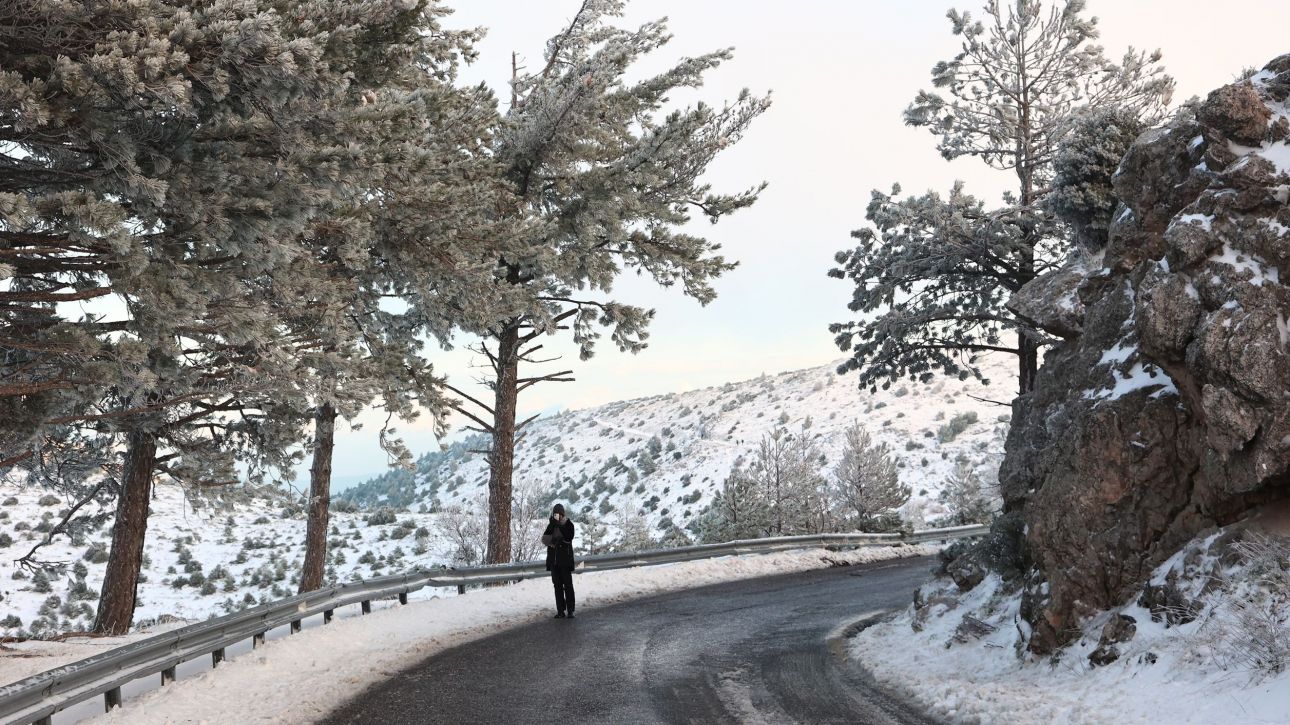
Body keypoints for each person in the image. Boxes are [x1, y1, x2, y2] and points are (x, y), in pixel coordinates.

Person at [543, 503, 576, 619]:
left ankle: (570, 610)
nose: (558, 516)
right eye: (556, 514)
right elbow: (544, 539)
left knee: (568, 585)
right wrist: (552, 526)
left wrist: (560, 527)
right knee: (557, 586)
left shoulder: (568, 524)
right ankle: (560, 610)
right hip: (554, 562)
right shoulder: (551, 525)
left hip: (565, 561)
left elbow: (569, 537)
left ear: (563, 514)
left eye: (560, 514)